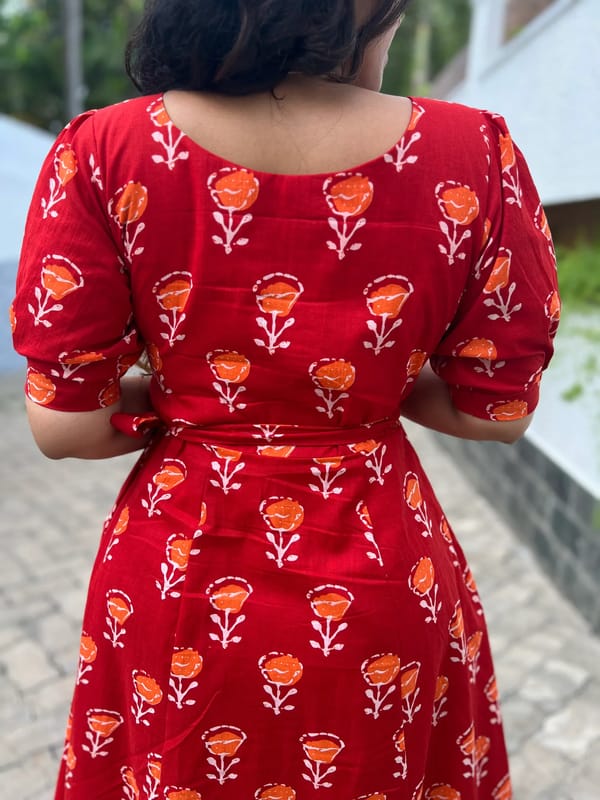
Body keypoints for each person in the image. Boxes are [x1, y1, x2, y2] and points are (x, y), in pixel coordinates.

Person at [11, 1, 560, 798]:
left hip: (179, 573)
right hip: (381, 573)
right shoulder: (472, 152)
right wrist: (356, 387)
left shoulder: (105, 150)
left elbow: (65, 426)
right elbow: (494, 412)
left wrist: (200, 399)